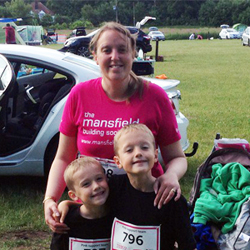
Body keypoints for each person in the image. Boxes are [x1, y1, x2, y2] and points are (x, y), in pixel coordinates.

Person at [44, 21, 187, 233]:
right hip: (96, 204)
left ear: (133, 54)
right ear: (95, 55)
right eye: (106, 50)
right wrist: (50, 199)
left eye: (122, 50)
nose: (115, 57)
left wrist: (171, 176)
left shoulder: (155, 96)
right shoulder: (79, 95)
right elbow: (64, 157)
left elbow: (177, 157)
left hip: (146, 203)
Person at [109, 123, 196, 250]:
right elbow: (91, 208)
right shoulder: (114, 187)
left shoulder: (172, 199)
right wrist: (68, 205)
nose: (138, 153)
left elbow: (188, 245)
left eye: (144, 147)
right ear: (118, 161)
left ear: (155, 155)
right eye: (129, 150)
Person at [50, 156, 113, 250]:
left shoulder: (117, 213)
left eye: (99, 178)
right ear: (73, 195)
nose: (96, 186)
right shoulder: (66, 220)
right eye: (86, 184)